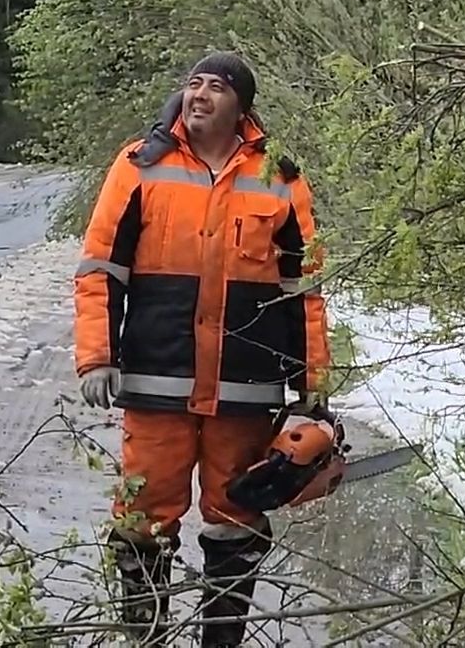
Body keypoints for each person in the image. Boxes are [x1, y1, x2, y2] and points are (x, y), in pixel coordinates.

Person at [73, 52, 328, 647]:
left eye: (217, 86)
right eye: (194, 83)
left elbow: (304, 290)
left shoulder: (280, 177)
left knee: (238, 518)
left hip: (244, 389)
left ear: (242, 106)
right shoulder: (140, 164)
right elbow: (100, 269)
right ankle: (146, 638)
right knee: (142, 520)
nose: (201, 94)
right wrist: (97, 356)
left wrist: (312, 383)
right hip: (157, 382)